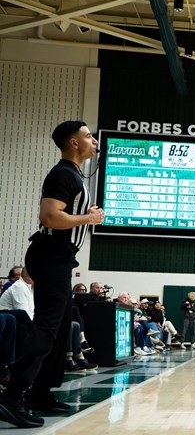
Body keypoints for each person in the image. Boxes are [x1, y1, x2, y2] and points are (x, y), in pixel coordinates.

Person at [0, 121, 104, 428]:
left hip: (60, 258)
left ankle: (40, 393)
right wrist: (88, 218)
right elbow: (49, 216)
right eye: (88, 136)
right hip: (51, 256)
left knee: (59, 330)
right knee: (46, 327)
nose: (94, 141)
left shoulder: (74, 175)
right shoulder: (63, 174)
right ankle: (12, 396)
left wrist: (85, 216)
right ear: (73, 143)